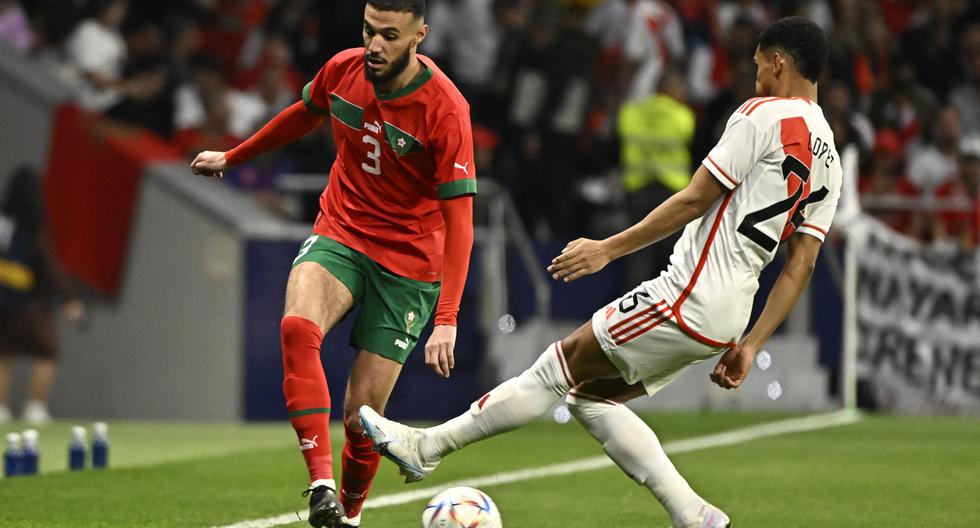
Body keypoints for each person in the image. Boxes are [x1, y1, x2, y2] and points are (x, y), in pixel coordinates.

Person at [359, 16, 840, 528]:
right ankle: (695, 515)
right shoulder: (829, 153)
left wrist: (607, 249)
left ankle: (426, 446)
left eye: (759, 66)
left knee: (554, 367)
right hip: (729, 314)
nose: (756, 77)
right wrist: (752, 343)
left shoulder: (762, 115)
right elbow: (801, 264)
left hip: (688, 295)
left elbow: (696, 197)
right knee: (589, 398)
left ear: (779, 62)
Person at [190, 1, 476, 527]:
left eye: (390, 35)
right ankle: (320, 483)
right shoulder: (343, 69)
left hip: (409, 264)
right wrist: (233, 157)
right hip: (341, 230)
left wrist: (448, 317)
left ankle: (349, 514)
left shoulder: (445, 110)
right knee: (298, 327)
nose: (374, 46)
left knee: (363, 419)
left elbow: (461, 222)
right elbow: (303, 113)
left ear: (420, 36)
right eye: (369, 31)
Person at [0, 167, 85, 425]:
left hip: (3, 302)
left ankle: (1, 410)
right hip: (31, 305)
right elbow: (50, 266)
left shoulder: (3, 221)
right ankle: (35, 408)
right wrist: (70, 300)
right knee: (47, 354)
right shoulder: (34, 224)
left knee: (3, 355)